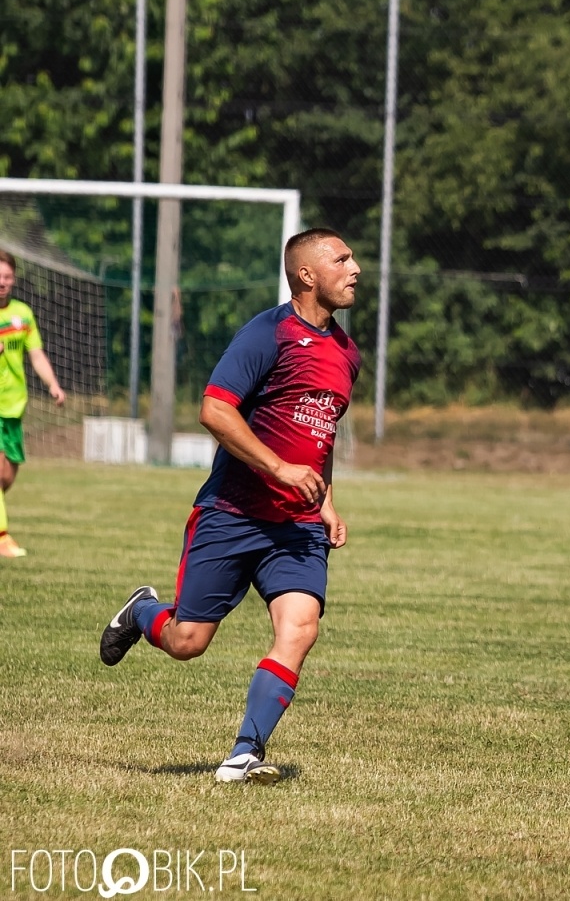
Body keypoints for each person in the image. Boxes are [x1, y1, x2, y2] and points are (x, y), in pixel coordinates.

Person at [98, 229, 361, 784]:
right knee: (186, 642)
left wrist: (329, 502)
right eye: (342, 259)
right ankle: (142, 609)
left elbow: (321, 438)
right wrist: (278, 468)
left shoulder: (346, 353)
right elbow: (215, 410)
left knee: (301, 627)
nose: (355, 268)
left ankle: (245, 752)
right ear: (307, 275)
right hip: (232, 513)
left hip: (296, 525)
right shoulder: (267, 333)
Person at [0, 250, 67, 559]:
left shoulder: (22, 314)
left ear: (14, 280)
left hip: (14, 406)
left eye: (7, 276)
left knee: (7, 478)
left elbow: (36, 353)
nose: (2, 282)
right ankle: (2, 538)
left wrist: (52, 384)